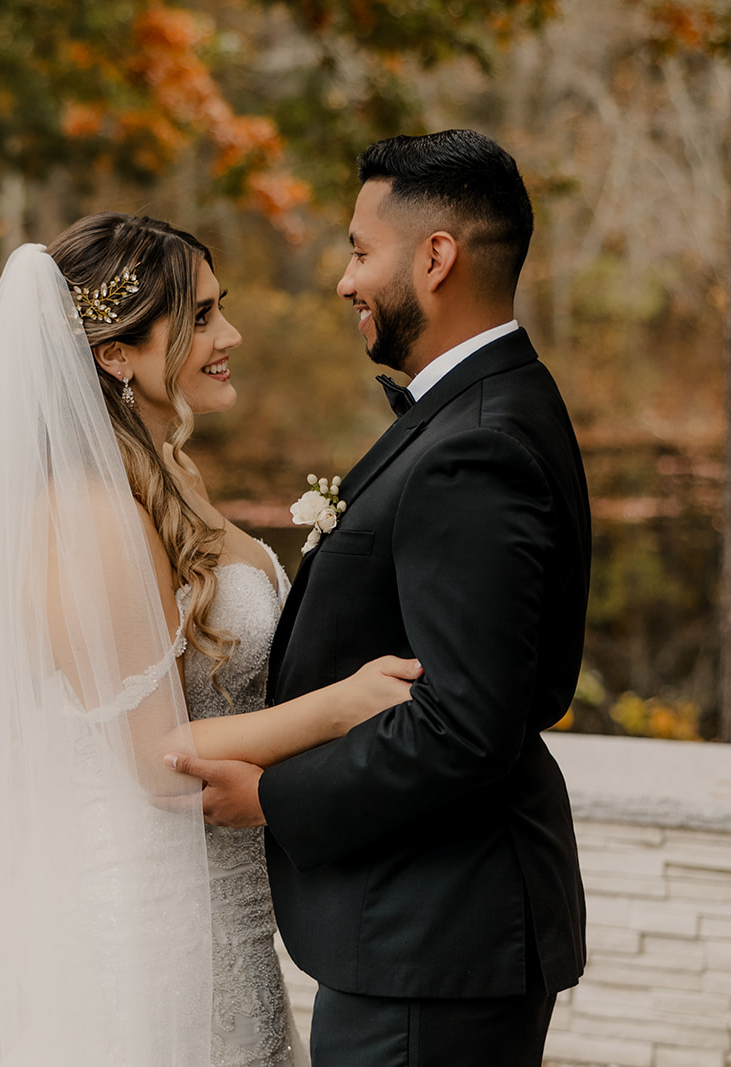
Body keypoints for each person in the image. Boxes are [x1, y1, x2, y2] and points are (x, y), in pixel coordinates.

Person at [0, 213, 419, 1067]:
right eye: (203, 317)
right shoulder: (89, 514)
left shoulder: (163, 474)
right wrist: (344, 705)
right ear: (115, 355)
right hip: (147, 932)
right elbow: (153, 756)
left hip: (223, 914)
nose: (231, 334)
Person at [169, 131, 591, 1066]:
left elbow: (463, 723)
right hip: (435, 928)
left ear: (435, 257)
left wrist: (276, 796)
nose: (343, 280)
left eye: (361, 250)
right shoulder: (493, 404)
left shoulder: (473, 446)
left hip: (434, 938)